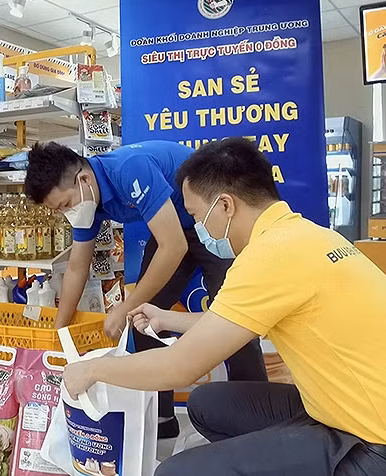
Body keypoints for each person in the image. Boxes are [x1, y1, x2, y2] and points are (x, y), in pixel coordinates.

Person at [63, 138, 386, 475]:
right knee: (207, 404)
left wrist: (91, 369)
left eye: (196, 216)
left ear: (226, 206)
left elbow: (180, 367)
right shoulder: (308, 235)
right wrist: (167, 318)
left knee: (174, 472)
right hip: (335, 407)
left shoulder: (270, 256)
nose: (199, 230)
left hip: (371, 441)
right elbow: (234, 318)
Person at [24, 140, 266, 437]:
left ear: (84, 179)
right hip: (173, 227)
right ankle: (161, 420)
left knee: (235, 322)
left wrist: (124, 307)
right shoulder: (86, 201)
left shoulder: (128, 168)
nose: (68, 213)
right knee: (142, 321)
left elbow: (173, 246)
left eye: (65, 205)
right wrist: (57, 336)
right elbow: (76, 267)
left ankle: (256, 422)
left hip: (209, 222)